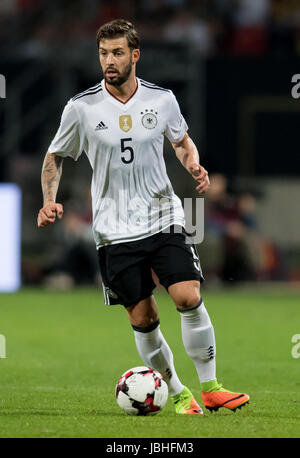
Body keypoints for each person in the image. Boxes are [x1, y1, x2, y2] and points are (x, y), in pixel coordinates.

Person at [37, 19, 249, 415]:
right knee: (144, 317)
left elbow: (181, 141)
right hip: (114, 230)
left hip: (161, 214)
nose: (109, 61)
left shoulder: (162, 99)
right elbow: (55, 157)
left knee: (188, 295)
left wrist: (194, 165)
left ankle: (212, 387)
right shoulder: (81, 107)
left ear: (135, 55)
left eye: (117, 53)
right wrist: (49, 199)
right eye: (103, 53)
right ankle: (180, 393)